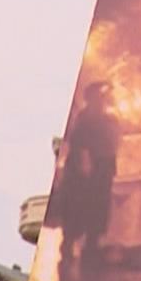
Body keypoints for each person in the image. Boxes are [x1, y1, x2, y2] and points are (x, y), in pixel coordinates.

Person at [52, 81, 122, 269]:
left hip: (102, 170)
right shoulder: (86, 119)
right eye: (102, 97)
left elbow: (113, 142)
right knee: (79, 207)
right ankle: (71, 245)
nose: (105, 100)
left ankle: (91, 245)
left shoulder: (107, 118)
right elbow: (80, 144)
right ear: (93, 99)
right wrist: (85, 164)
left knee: (97, 208)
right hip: (87, 170)